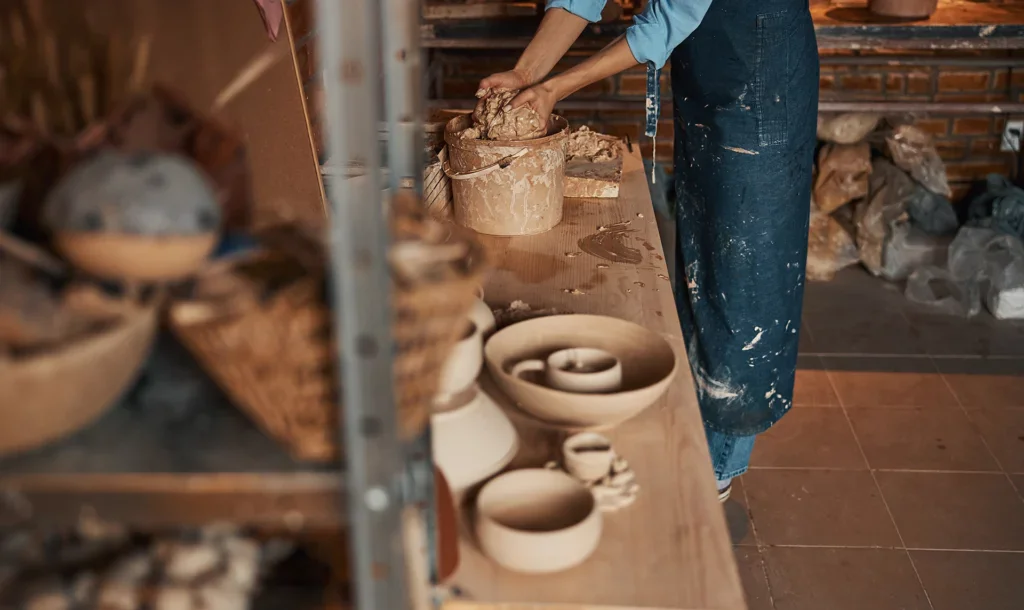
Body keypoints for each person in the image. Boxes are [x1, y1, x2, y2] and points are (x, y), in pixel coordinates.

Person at [480, 0, 818, 502]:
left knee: (743, 280)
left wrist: (552, 88)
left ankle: (716, 467)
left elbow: (668, 19)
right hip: (709, 74)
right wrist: (527, 72)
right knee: (700, 262)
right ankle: (691, 427)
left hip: (763, 83)